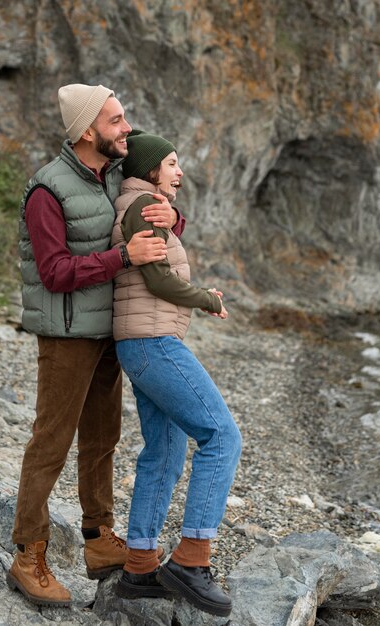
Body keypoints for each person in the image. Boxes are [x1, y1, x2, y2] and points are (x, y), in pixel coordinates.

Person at [7, 85, 185, 608]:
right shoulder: (48, 189)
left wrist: (173, 218)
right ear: (88, 131)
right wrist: (122, 259)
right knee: (51, 443)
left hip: (108, 331)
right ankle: (28, 554)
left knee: (103, 439)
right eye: (116, 119)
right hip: (65, 336)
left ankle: (98, 539)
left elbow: (149, 215)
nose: (126, 127)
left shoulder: (116, 177)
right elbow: (55, 272)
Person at [111, 130, 242, 617]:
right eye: (170, 164)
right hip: (154, 343)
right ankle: (191, 560)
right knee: (222, 437)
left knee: (163, 452)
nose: (179, 172)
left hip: (139, 344)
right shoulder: (145, 204)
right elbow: (157, 278)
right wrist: (207, 298)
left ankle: (140, 566)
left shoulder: (143, 203)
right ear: (148, 171)